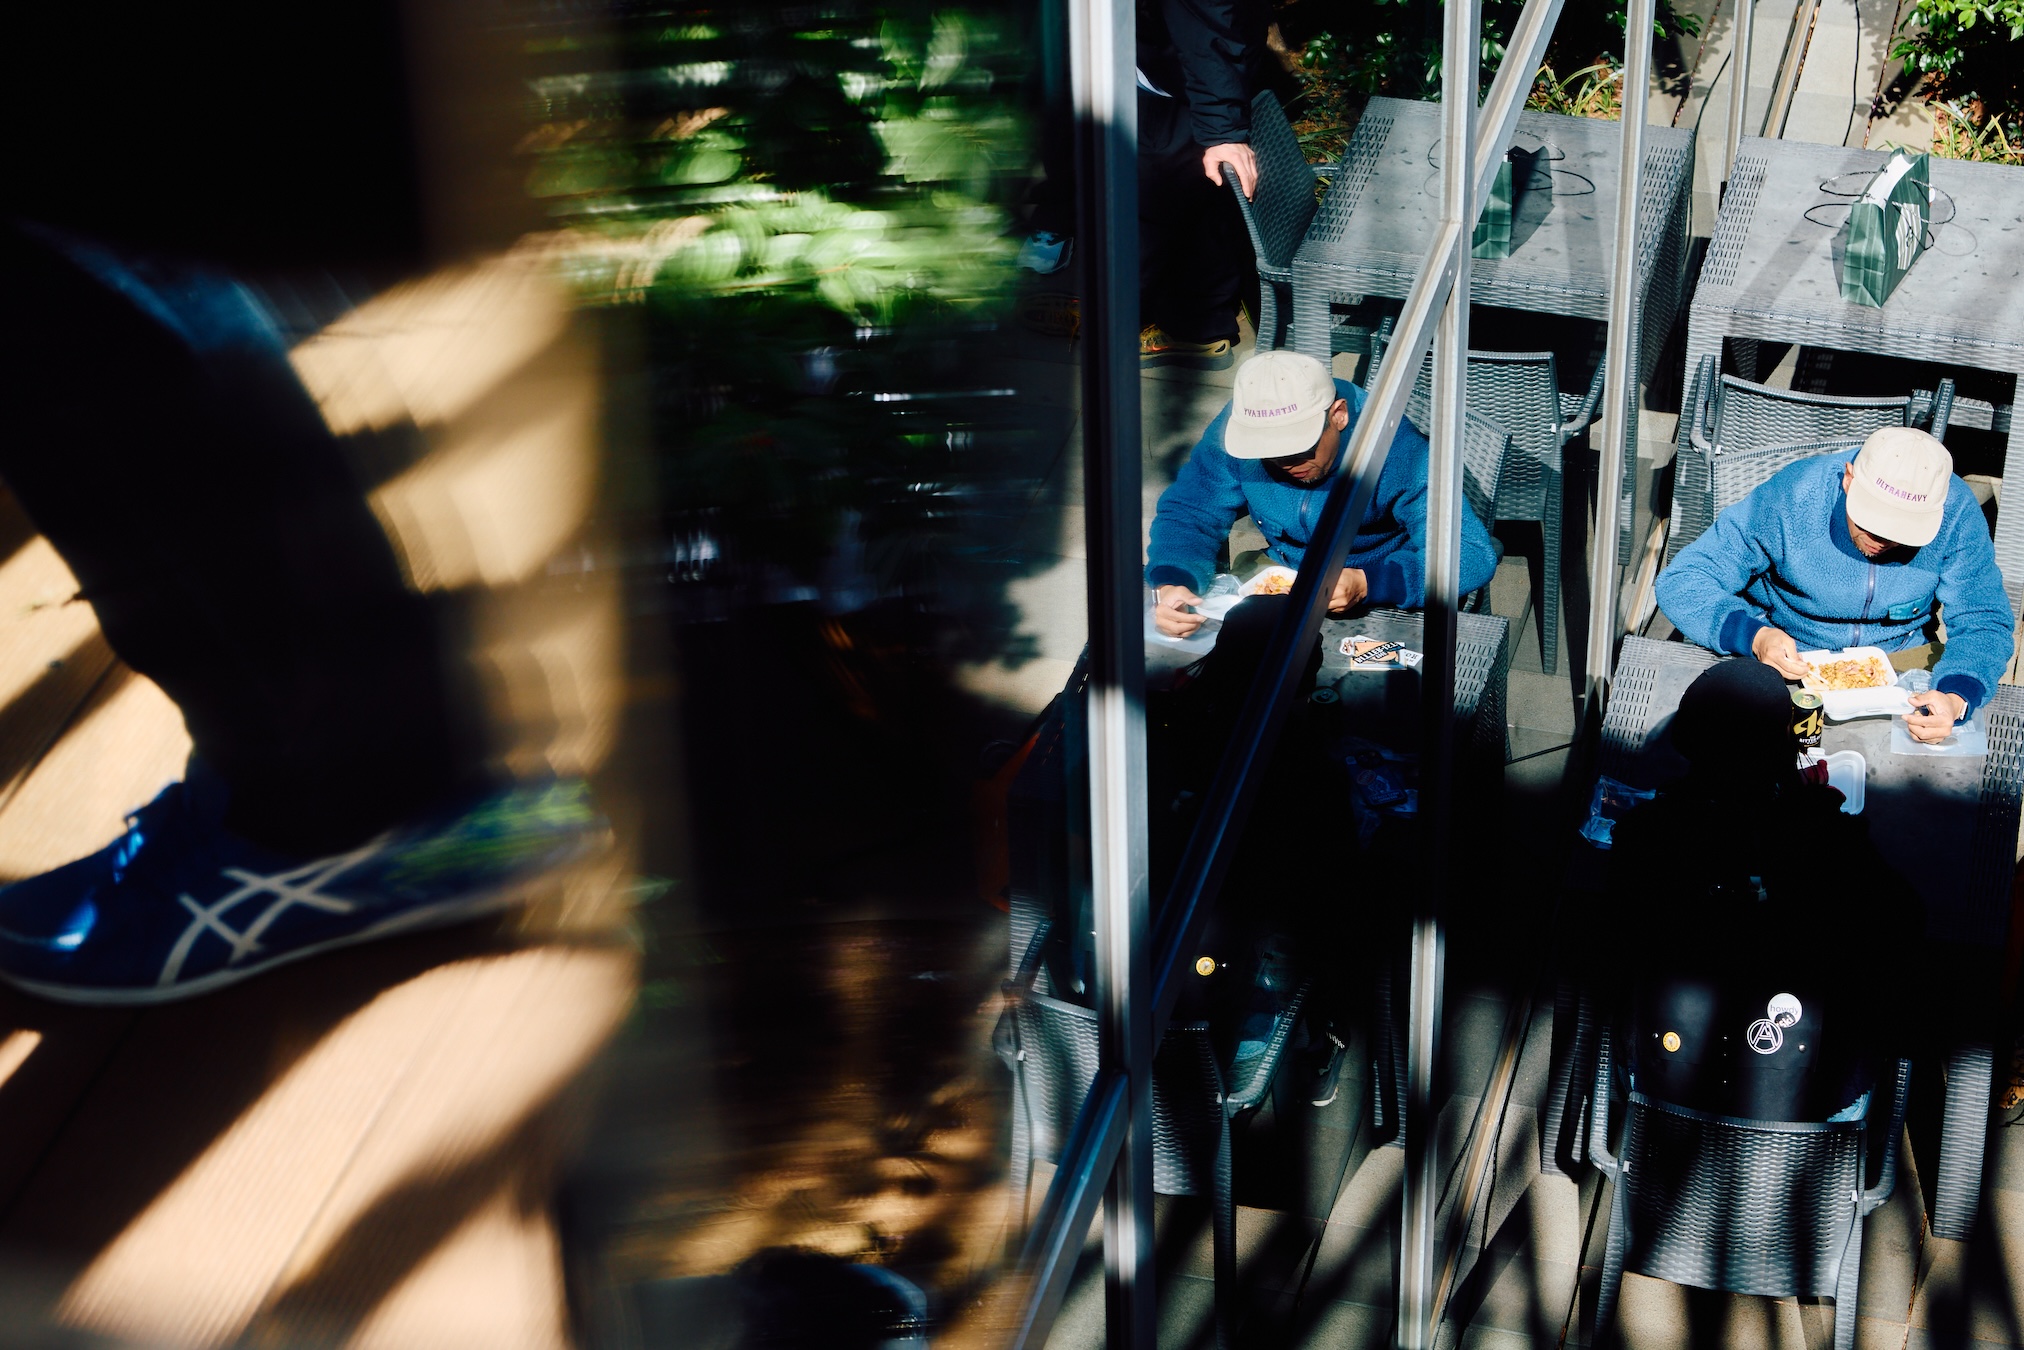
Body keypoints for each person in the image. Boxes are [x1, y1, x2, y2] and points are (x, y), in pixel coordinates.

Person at [1605, 660, 1920, 1121]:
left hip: (1663, 1080)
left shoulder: (1645, 833)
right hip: (1811, 1100)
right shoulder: (1825, 840)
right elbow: (1905, 920)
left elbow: (1617, 935)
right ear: (1781, 749)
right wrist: (1815, 811)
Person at [1656, 426, 2011, 746]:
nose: (1882, 540)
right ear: (1849, 479)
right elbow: (1684, 579)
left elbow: (1983, 617)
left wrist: (1956, 695)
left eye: (1902, 530)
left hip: (1901, 663)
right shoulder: (1795, 495)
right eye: (1872, 521)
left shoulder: (1956, 512)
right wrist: (1754, 636)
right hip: (1788, 656)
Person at [1146, 350, 1499, 636]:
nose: (1287, 463)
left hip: (1378, 586)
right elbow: (1192, 509)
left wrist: (1370, 582)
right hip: (1281, 572)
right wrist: (1174, 580)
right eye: (1267, 450)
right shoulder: (1239, 426)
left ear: (1338, 415)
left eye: (1301, 447)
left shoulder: (1397, 450)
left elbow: (1469, 553)